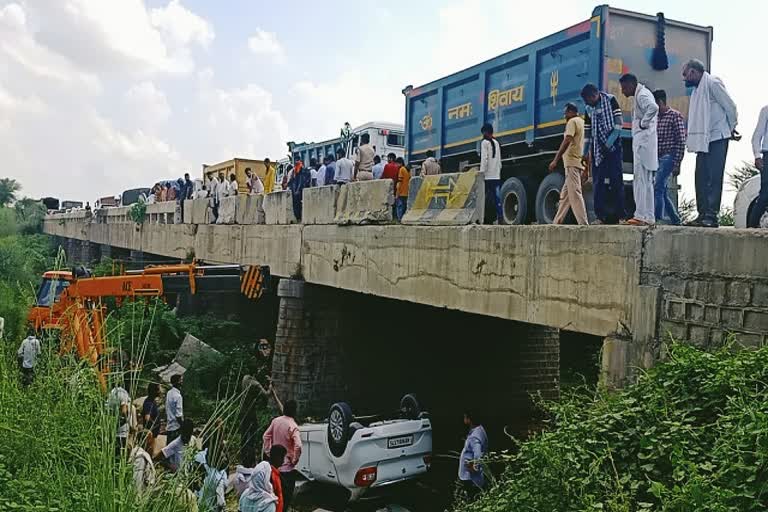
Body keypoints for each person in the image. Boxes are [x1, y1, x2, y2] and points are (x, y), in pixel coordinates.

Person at [683, 58, 739, 228]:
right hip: (703, 139)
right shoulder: (697, 90)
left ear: (694, 72)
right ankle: (702, 215)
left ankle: (711, 216)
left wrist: (731, 128)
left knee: (714, 178)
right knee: (700, 177)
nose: (684, 78)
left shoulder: (713, 83)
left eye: (685, 74)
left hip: (718, 137)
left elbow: (730, 107)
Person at [581, 83, 625, 224]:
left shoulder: (611, 100)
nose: (587, 104)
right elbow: (587, 132)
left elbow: (618, 125)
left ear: (594, 95)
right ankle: (600, 217)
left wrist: (609, 143)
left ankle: (621, 216)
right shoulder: (588, 108)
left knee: (616, 181)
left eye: (588, 100)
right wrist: (585, 152)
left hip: (613, 147)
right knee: (598, 183)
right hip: (597, 149)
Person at [619, 73, 658, 226]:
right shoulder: (642, 93)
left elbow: (653, 108)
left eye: (623, 88)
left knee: (641, 180)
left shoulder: (642, 95)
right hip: (646, 145)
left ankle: (640, 215)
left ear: (630, 85)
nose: (622, 92)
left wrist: (643, 123)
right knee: (646, 182)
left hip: (643, 145)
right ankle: (648, 217)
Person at [548, 103, 589, 225]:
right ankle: (557, 222)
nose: (564, 116)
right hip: (579, 162)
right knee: (565, 196)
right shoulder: (582, 122)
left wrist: (556, 159)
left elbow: (567, 139)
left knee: (575, 193)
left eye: (565, 113)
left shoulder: (572, 122)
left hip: (572, 162)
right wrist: (587, 168)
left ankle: (583, 223)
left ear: (571, 112)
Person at [653, 89, 686, 225]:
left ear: (660, 102)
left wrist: (677, 162)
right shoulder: (655, 118)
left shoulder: (674, 116)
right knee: (663, 191)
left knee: (657, 187)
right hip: (657, 157)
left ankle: (657, 218)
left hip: (669, 156)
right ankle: (676, 220)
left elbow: (681, 140)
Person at [262, 400, 302, 511]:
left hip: (274, 468)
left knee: (274, 498)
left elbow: (265, 436)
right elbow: (298, 446)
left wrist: (269, 452)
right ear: (294, 411)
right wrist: (294, 460)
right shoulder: (293, 425)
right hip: (287, 469)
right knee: (285, 499)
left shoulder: (275, 421)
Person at [458, 409, 488, 501]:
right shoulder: (479, 429)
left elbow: (478, 454)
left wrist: (474, 467)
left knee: (471, 498)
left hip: (470, 477)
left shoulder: (474, 437)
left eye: (465, 417)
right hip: (473, 475)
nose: (464, 419)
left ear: (469, 419)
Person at [748, 105, 768, 228]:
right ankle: (751, 228)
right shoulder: (766, 110)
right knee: (765, 194)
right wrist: (757, 156)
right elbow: (757, 136)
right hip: (767, 154)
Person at [480, 123, 502, 224]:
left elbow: (484, 159)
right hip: (496, 175)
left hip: (487, 176)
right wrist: (498, 171)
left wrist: (481, 173)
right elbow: (499, 160)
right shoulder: (496, 142)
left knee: (483, 198)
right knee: (497, 198)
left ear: (485, 132)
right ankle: (500, 217)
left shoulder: (484, 143)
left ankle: (483, 218)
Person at [107, 380, 133, 457]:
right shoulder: (123, 392)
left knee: (115, 454)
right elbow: (124, 410)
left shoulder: (112, 392)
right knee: (123, 454)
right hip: (123, 431)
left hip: (114, 430)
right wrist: (128, 423)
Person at [142, 382, 161, 454]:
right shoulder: (149, 403)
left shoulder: (152, 401)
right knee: (150, 452)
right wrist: (154, 424)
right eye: (158, 390)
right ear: (155, 391)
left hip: (154, 433)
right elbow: (147, 417)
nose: (160, 392)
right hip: (151, 434)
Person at [166, 373, 184, 443]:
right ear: (177, 382)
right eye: (181, 380)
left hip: (169, 426)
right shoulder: (178, 396)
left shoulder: (169, 393)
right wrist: (183, 426)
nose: (182, 382)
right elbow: (178, 415)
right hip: (176, 427)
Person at [268, 445, 287, 512]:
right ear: (277, 457)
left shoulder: (276, 473)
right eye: (282, 457)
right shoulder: (271, 475)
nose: (283, 461)